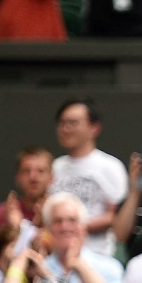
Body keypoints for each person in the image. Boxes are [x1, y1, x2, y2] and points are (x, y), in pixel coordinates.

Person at [48, 100, 129, 261]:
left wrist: (76, 226)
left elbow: (116, 215)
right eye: (62, 123)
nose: (66, 129)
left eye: (73, 123)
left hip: (98, 255)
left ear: (94, 128)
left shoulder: (110, 166)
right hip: (58, 258)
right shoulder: (55, 166)